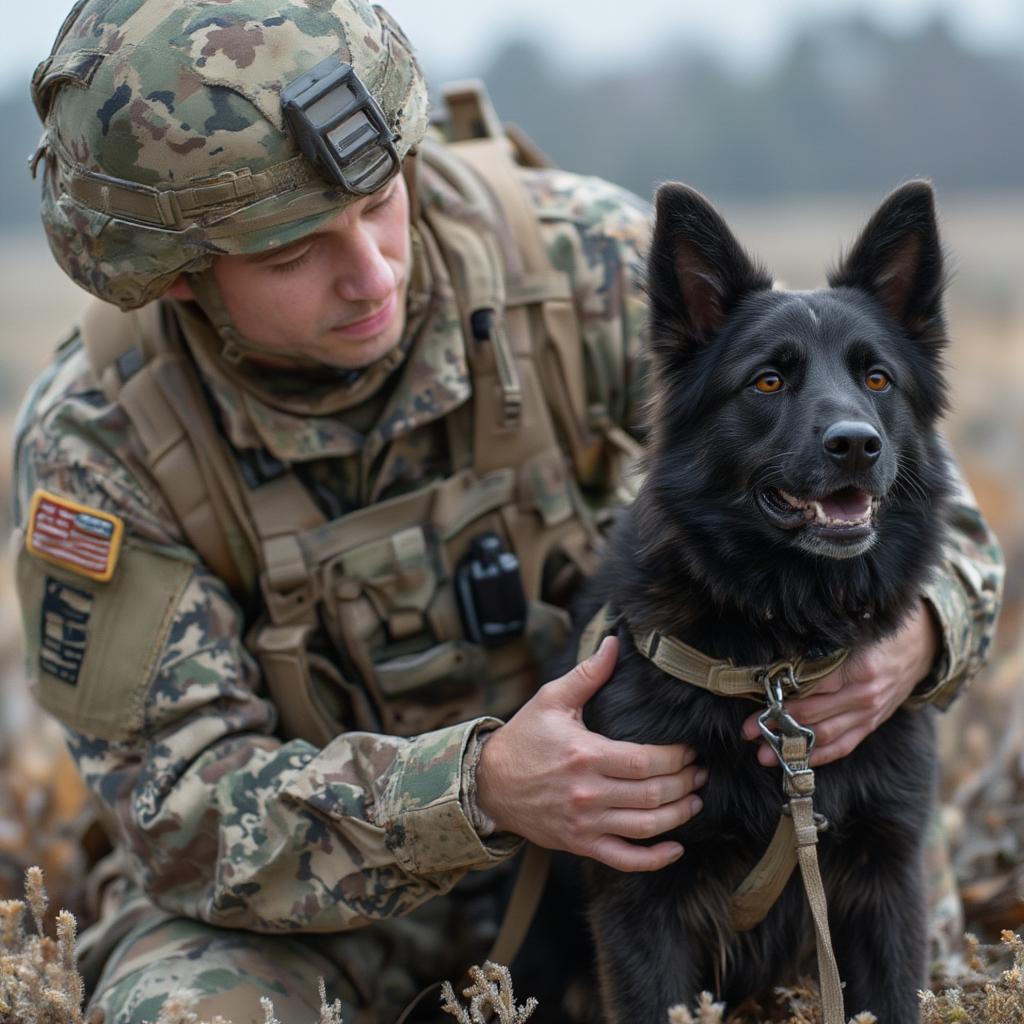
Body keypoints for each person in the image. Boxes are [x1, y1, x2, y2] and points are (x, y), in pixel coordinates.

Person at [12, 1, 1003, 1021]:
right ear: (178, 284)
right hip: (313, 920)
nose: (372, 273)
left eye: (378, 200)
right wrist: (478, 788)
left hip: (643, 885)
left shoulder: (581, 262)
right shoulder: (100, 443)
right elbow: (181, 821)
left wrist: (920, 636)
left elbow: (908, 485)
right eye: (290, 254)